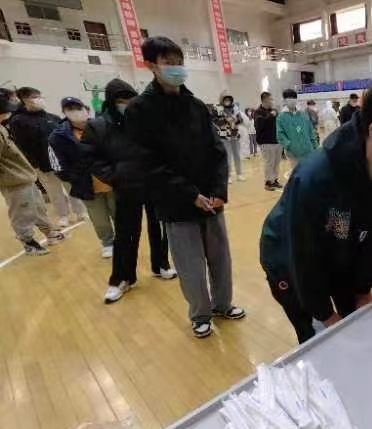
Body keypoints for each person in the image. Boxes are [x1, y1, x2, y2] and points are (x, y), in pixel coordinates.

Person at [260, 79, 372, 343]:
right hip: (288, 262)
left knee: (355, 321)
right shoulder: (315, 179)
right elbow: (304, 255)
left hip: (342, 251)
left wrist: (362, 289)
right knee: (319, 341)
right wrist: (325, 315)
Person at [125, 36, 246, 338]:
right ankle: (200, 314)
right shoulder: (140, 110)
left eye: (179, 62)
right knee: (190, 265)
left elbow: (217, 150)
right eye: (169, 63)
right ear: (151, 66)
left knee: (220, 258)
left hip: (211, 200)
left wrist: (218, 191)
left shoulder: (196, 106)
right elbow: (147, 163)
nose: (177, 68)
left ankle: (223, 304)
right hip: (177, 203)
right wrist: (190, 194)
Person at [82, 78, 176, 304]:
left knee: (159, 228)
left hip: (153, 183)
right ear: (111, 102)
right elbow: (89, 157)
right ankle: (121, 278)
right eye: (121, 100)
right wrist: (114, 176)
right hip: (125, 188)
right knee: (126, 234)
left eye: (130, 98)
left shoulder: (145, 121)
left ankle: (161, 265)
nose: (126, 103)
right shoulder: (98, 126)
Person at [0, 89, 65, 256]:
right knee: (22, 212)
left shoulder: (3, 128)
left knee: (38, 207)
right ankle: (28, 241)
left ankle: (49, 232)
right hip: (13, 180)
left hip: (25, 176)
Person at [49, 97, 115, 258]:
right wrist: (75, 178)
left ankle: (125, 240)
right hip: (86, 185)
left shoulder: (104, 126)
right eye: (70, 109)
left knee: (120, 214)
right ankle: (107, 243)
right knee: (99, 218)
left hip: (113, 180)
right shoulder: (58, 136)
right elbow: (57, 165)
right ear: (64, 113)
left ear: (87, 109)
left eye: (78, 108)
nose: (75, 112)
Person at [10, 86, 86, 227]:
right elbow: (22, 145)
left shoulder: (52, 118)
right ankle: (63, 215)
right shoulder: (18, 121)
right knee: (54, 191)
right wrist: (34, 164)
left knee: (71, 187)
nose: (39, 99)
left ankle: (80, 212)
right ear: (24, 100)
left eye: (39, 96)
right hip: (43, 163)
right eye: (34, 97)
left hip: (63, 161)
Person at [276, 89, 317, 169]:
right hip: (293, 153)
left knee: (310, 171)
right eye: (289, 98)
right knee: (298, 171)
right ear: (284, 100)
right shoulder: (281, 117)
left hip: (308, 150)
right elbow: (280, 135)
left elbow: (310, 131)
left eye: (294, 98)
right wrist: (289, 145)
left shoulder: (303, 114)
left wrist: (314, 145)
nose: (292, 100)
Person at [213, 92, 245, 182]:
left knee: (237, 155)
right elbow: (215, 122)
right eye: (225, 99)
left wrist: (236, 120)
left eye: (229, 99)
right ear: (222, 99)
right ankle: (228, 176)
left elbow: (241, 120)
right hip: (224, 136)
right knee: (227, 157)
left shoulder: (235, 108)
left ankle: (239, 174)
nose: (227, 101)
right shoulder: (217, 108)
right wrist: (226, 120)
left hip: (235, 134)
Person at [254, 91, 283, 191]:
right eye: (270, 99)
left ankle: (274, 180)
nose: (272, 101)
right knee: (269, 162)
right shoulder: (258, 112)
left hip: (277, 140)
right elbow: (260, 124)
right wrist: (271, 115)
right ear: (265, 100)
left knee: (276, 162)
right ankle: (268, 182)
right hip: (266, 141)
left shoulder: (274, 111)